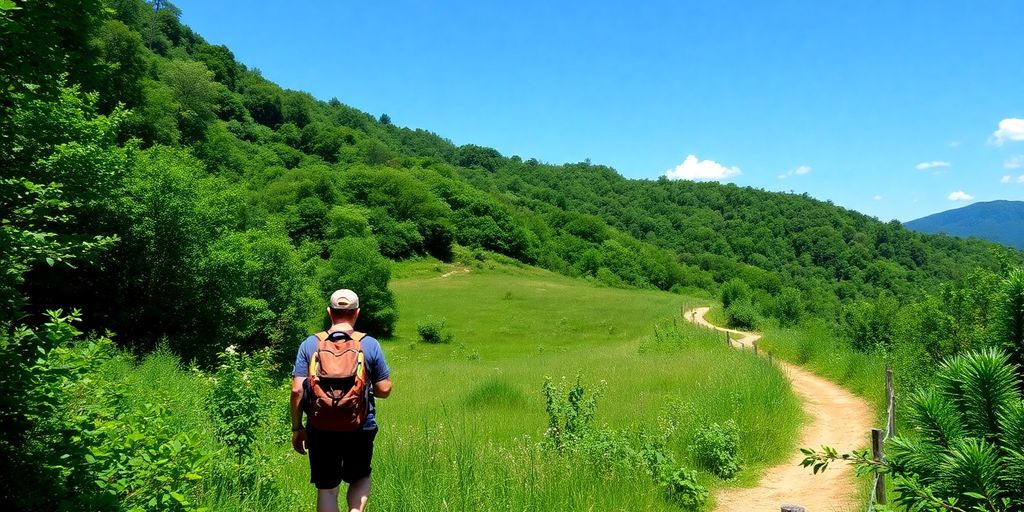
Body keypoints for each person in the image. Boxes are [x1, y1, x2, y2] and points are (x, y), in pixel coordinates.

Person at [291, 289, 392, 512]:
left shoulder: (310, 344)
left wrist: (297, 428)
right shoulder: (369, 344)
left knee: (327, 488)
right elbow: (385, 389)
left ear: (329, 312)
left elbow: (297, 390)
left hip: (320, 426)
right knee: (359, 477)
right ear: (356, 313)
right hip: (361, 425)